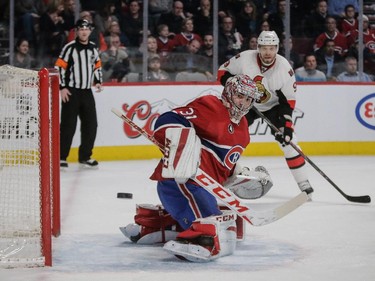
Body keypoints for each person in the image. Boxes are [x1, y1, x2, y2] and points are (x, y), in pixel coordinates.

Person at [121, 74, 274, 262]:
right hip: (180, 183)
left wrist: (238, 175)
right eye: (240, 96)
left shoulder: (243, 129)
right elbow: (169, 118)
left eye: (249, 99)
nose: (244, 103)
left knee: (227, 225)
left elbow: (222, 167)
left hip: (202, 187)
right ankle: (196, 238)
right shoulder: (211, 106)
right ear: (229, 93)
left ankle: (160, 225)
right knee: (211, 229)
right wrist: (178, 138)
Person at [217, 30, 315, 196]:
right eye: (264, 48)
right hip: (245, 104)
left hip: (274, 107)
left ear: (277, 48)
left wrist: (287, 126)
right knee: (229, 137)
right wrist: (235, 85)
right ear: (258, 47)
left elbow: (288, 102)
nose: (267, 52)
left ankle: (303, 183)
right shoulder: (245, 58)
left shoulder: (285, 69)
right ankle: (224, 175)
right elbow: (222, 73)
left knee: (290, 142)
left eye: (271, 48)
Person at [55, 19, 103, 169]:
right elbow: (60, 67)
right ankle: (61, 157)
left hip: (86, 91)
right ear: (76, 31)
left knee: (91, 125)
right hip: (71, 91)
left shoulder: (93, 48)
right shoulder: (69, 48)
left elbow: (97, 65)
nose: (83, 31)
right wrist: (62, 87)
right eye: (81, 28)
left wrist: (99, 80)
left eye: (86, 28)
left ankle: (85, 156)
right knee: (68, 125)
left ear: (90, 31)